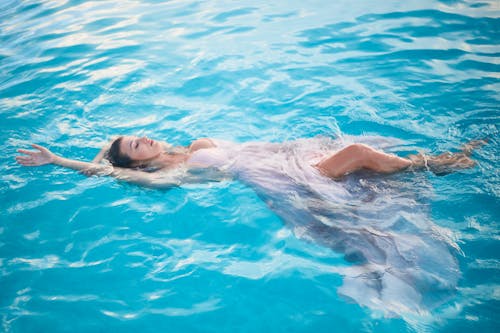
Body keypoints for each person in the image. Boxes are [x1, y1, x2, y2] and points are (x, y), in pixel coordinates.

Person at [15, 135, 482, 188]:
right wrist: (59, 160)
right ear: (138, 164)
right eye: (136, 146)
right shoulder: (167, 173)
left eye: (138, 135)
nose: (143, 138)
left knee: (363, 154)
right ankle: (443, 165)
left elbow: (110, 151)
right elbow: (105, 170)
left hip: (284, 155)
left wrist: (111, 142)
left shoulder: (184, 146)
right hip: (277, 174)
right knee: (360, 155)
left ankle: (440, 162)